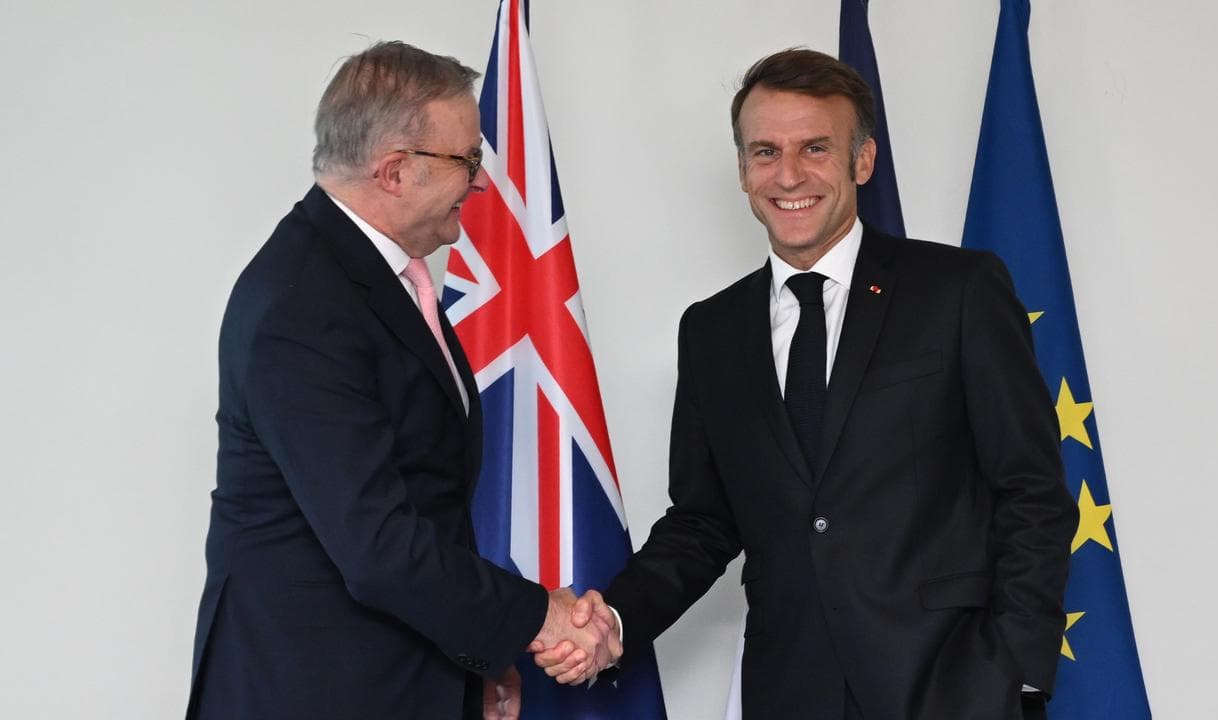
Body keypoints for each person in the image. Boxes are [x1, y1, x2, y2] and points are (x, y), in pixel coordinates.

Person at [539, 48, 1077, 719]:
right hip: (790, 687)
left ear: (862, 160)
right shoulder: (711, 330)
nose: (788, 174)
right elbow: (703, 522)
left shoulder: (958, 291)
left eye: (815, 147)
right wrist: (615, 621)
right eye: (764, 151)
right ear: (741, 170)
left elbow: (1031, 489)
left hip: (951, 685)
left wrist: (1014, 670)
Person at [186, 41, 618, 720]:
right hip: (310, 692)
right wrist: (540, 618)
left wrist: (481, 653)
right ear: (393, 170)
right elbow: (379, 548)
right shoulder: (303, 302)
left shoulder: (375, 278)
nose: (481, 183)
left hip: (391, 680)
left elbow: (427, 505)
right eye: (468, 160)